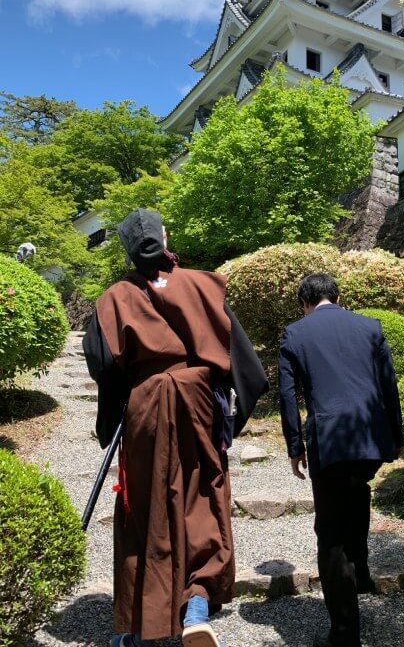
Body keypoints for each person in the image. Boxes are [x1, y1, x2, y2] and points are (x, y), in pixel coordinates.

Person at [83, 209, 268, 647]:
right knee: (202, 494)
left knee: (144, 506)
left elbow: (104, 365)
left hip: (145, 403)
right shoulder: (204, 283)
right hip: (199, 399)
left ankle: (134, 627)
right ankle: (197, 607)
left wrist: (110, 424)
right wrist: (232, 420)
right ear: (164, 237)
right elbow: (250, 369)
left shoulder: (113, 298)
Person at [278, 273, 403, 647]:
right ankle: (359, 572)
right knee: (357, 490)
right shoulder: (369, 326)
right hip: (369, 437)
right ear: (337, 295)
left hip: (330, 441)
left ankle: (345, 634)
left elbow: (288, 396)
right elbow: (388, 384)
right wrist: (396, 437)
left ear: (305, 302)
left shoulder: (295, 334)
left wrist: (294, 446)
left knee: (329, 532)